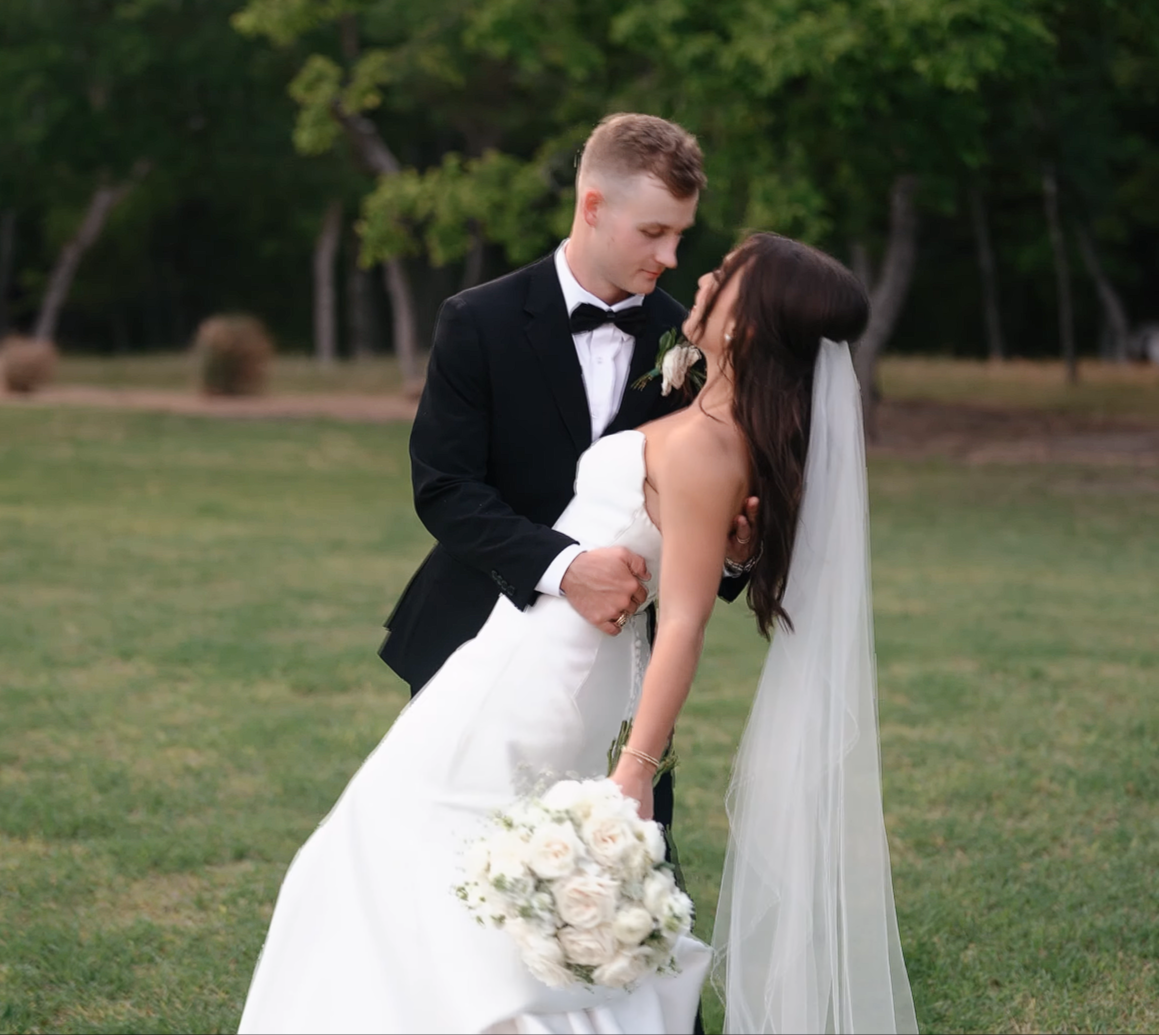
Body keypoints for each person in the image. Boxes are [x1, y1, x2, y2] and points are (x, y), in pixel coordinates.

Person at [237, 232, 918, 1034]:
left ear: (747, 326)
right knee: (414, 870)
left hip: (541, 678)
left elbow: (688, 622)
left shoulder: (704, 446)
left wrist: (635, 769)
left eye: (726, 274)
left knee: (382, 856)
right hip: (522, 653)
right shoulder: (701, 414)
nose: (700, 274)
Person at [379, 113, 756, 865]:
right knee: (449, 872)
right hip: (471, 636)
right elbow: (445, 487)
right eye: (653, 232)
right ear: (592, 206)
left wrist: (731, 552)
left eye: (680, 234)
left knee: (618, 880)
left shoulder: (692, 341)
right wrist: (563, 567)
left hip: (621, 675)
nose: (671, 255)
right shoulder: (476, 321)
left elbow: (690, 509)